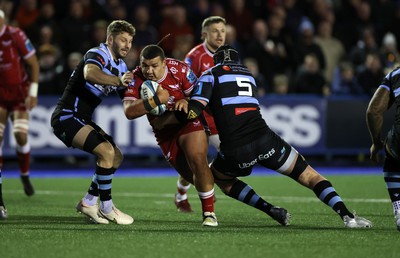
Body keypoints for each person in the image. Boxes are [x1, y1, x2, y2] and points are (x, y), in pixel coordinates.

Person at [175, 45, 373, 228]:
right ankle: (349, 217)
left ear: (215, 61)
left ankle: (269, 209)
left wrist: (177, 106)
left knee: (220, 179)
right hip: (265, 139)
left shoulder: (210, 74)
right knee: (310, 176)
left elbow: (195, 110)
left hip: (236, 148)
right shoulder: (248, 74)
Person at [120, 44, 217, 227]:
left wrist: (185, 99)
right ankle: (187, 191)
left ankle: (209, 214)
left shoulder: (179, 69)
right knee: (192, 175)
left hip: (187, 120)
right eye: (145, 65)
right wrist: (157, 100)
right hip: (164, 130)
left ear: (164, 63)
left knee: (198, 160)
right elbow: (129, 112)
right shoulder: (136, 77)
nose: (149, 70)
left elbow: (200, 96)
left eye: (154, 66)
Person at [50, 20, 135, 225]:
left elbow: (129, 107)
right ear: (110, 39)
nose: (127, 45)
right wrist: (118, 80)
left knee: (116, 156)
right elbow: (90, 73)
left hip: (81, 118)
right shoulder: (98, 53)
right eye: (123, 40)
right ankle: (106, 207)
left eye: (130, 41)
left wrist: (154, 100)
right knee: (106, 151)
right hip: (66, 116)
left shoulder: (121, 66)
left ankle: (88, 202)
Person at [170, 15, 225, 213]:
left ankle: (185, 191)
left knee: (227, 155)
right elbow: (184, 85)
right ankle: (195, 187)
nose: (219, 35)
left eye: (222, 31)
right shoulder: (195, 57)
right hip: (200, 116)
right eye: (215, 31)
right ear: (204, 34)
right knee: (196, 159)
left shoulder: (227, 55)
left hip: (219, 116)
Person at [0, 9, 39, 219]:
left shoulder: (15, 35)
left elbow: (33, 63)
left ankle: (24, 174)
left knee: (20, 135)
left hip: (19, 93)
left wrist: (33, 92)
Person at [366, 66, 400, 231]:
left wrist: (376, 143)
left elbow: (373, 111)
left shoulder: (395, 75)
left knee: (392, 161)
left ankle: (399, 205)